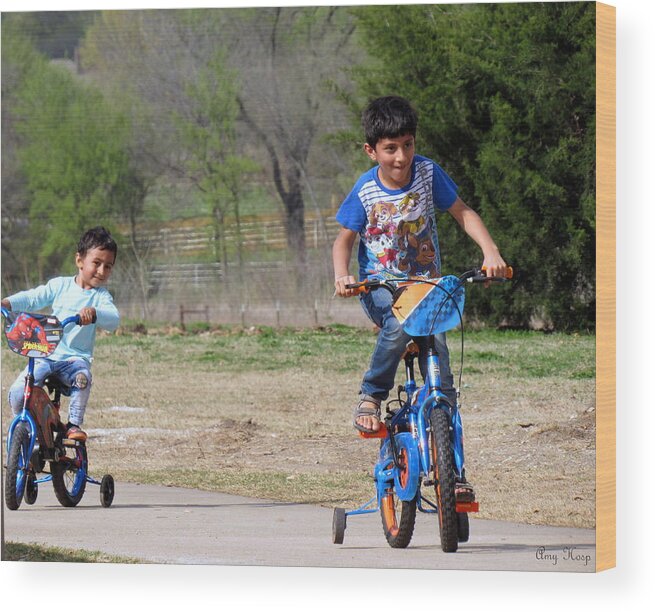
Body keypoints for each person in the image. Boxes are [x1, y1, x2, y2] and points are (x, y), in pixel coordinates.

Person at [332, 96, 508, 502]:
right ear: (371, 150)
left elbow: (462, 212)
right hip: (382, 288)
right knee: (397, 325)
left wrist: (491, 252)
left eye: (407, 145)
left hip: (428, 288)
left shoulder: (428, 174)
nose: (401, 157)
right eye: (390, 148)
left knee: (443, 387)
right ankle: (372, 395)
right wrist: (343, 276)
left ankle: (455, 475)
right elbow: (344, 242)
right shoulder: (365, 191)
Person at [2, 226, 120, 442]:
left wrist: (95, 314)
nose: (102, 271)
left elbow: (113, 320)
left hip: (75, 359)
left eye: (108, 266)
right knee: (20, 391)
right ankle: (25, 430)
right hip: (46, 353)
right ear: (79, 261)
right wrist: (8, 303)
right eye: (97, 263)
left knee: (83, 377)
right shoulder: (60, 286)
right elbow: (33, 298)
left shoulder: (101, 297)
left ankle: (73, 424)